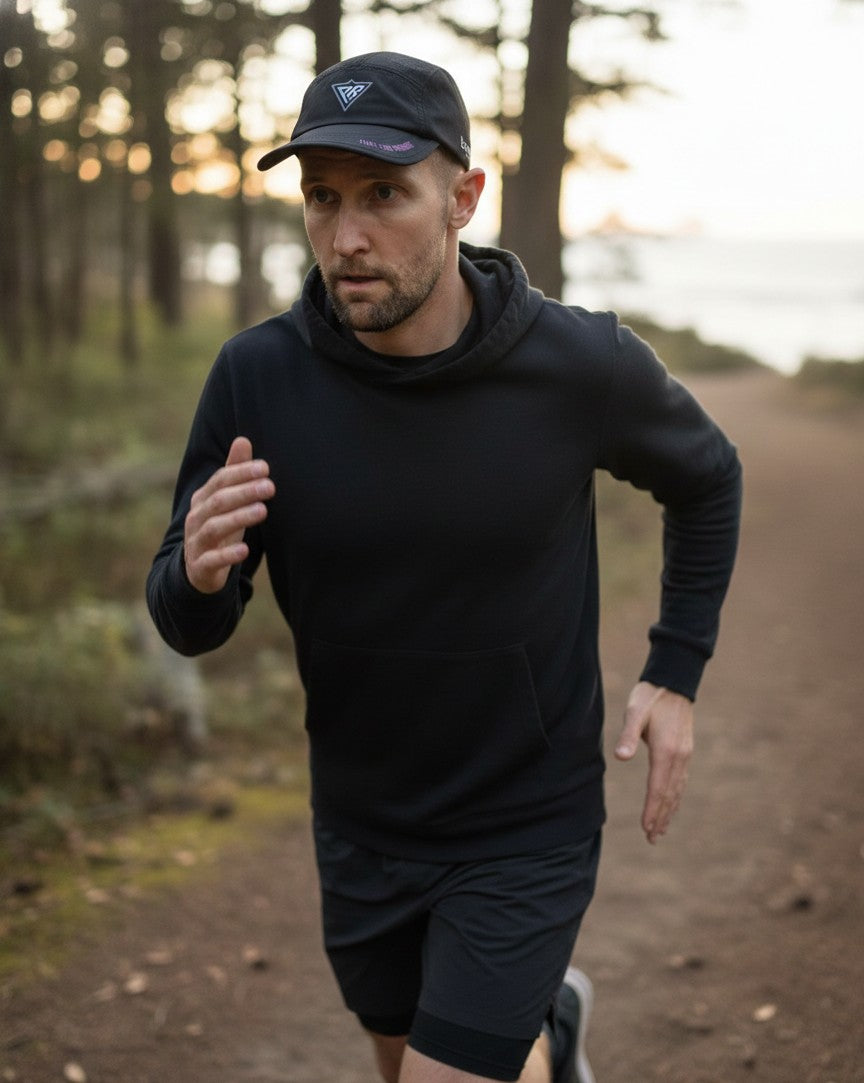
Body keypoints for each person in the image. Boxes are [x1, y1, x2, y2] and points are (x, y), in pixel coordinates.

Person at [147, 52, 741, 1083]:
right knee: (403, 1059)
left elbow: (708, 477)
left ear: (463, 197)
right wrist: (197, 576)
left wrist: (676, 669)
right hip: (361, 818)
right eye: (322, 198)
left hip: (525, 821)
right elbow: (190, 620)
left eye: (384, 194)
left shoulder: (576, 364)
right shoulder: (258, 377)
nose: (347, 236)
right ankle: (552, 1030)